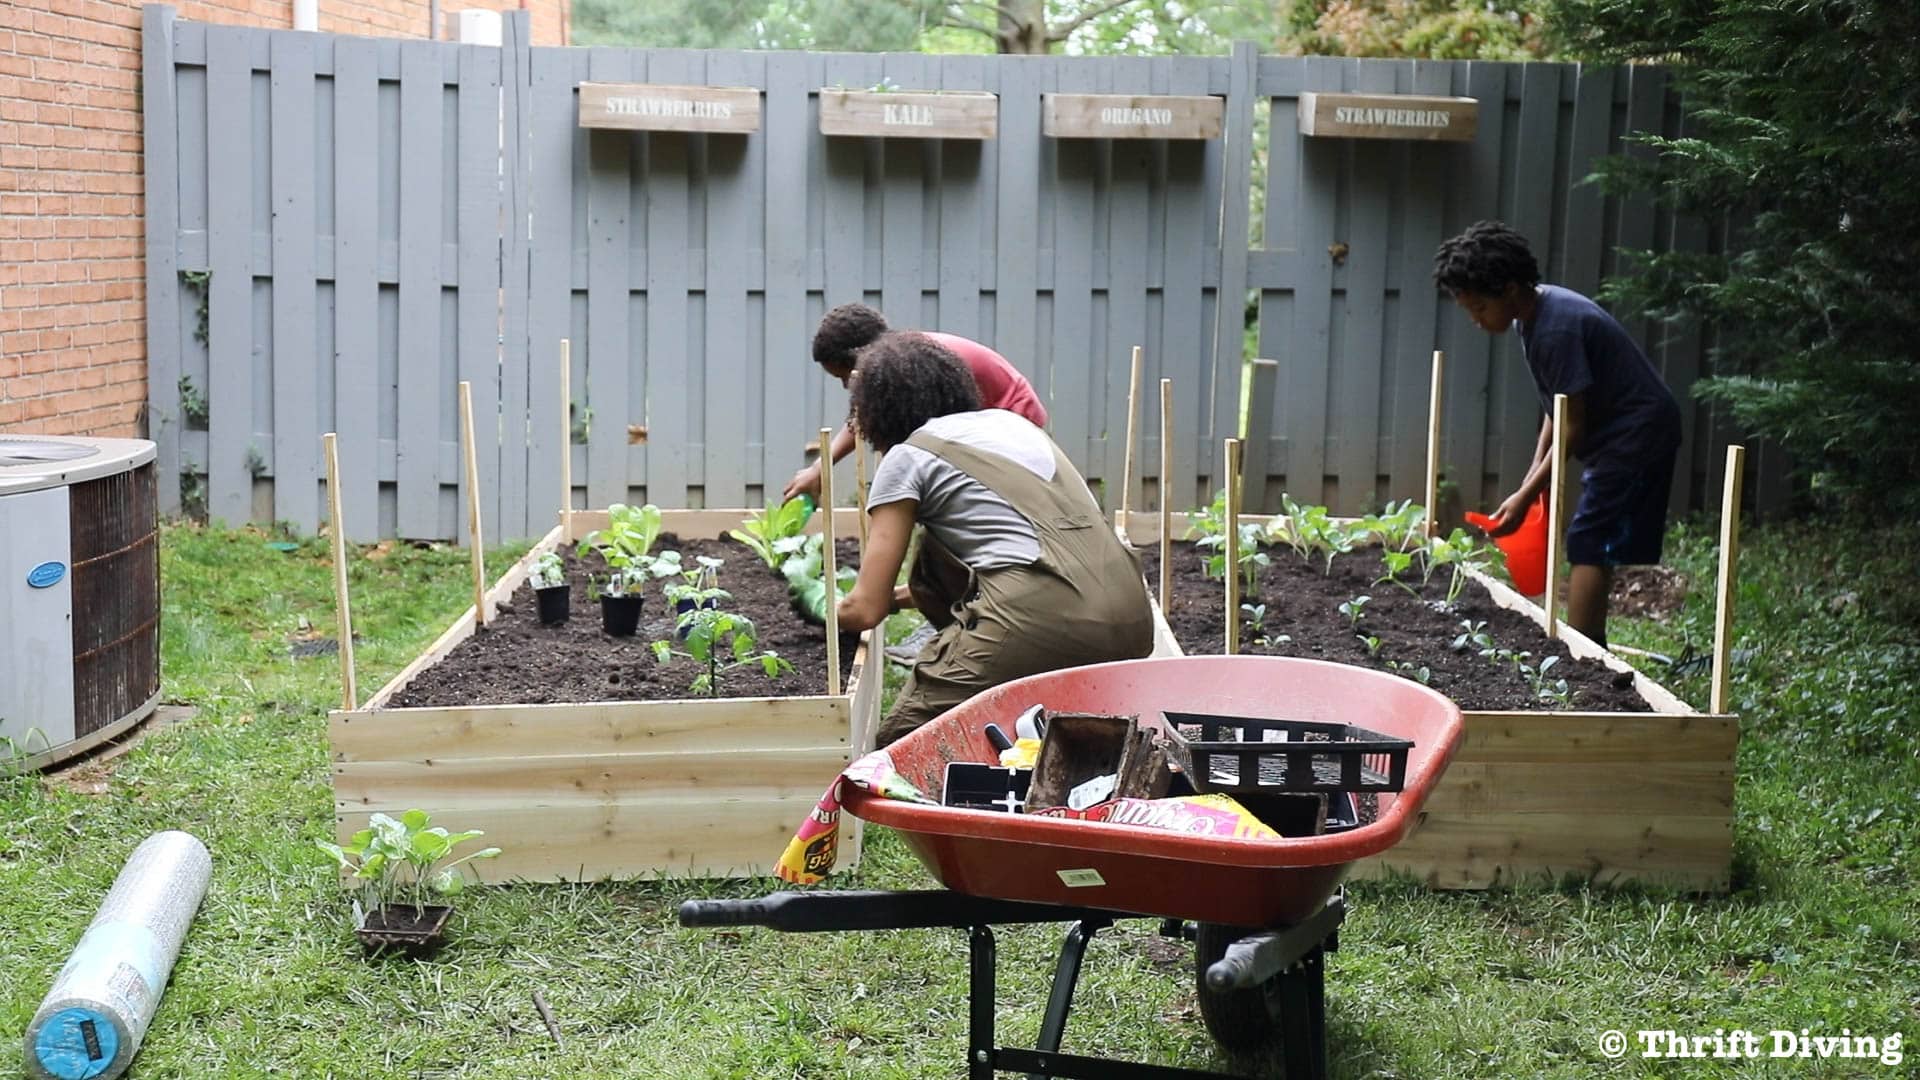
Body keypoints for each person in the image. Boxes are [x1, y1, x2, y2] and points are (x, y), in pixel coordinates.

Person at [834, 331, 1154, 746]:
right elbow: (1018, 551)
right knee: (934, 555)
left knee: (902, 744)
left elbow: (865, 610)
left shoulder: (909, 457)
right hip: (1132, 619)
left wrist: (829, 617)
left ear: (878, 407)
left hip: (1044, 621)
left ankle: (997, 693)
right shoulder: (1015, 426)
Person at [1432, 220, 1683, 649]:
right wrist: (1534, 472)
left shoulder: (1555, 329)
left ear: (1510, 289)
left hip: (1638, 432)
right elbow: (1560, 404)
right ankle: (1589, 648)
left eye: (1478, 308)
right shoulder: (1532, 318)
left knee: (1590, 539)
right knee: (1592, 535)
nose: (1475, 320)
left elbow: (1573, 424)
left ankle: (1587, 653)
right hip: (1619, 430)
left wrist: (1527, 495)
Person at [782, 303, 1049, 501]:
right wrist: (820, 467)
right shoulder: (899, 358)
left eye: (844, 376)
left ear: (864, 356)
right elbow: (861, 416)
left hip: (1012, 418)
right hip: (983, 422)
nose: (845, 386)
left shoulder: (912, 367)